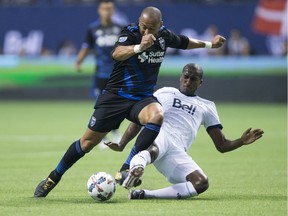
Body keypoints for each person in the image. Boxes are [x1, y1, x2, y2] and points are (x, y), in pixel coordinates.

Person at [34, 6, 225, 198]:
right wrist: (139, 47)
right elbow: (116, 53)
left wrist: (210, 45)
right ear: (139, 23)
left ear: (161, 25)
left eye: (151, 28)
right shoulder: (131, 33)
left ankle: (125, 168)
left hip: (141, 99)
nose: (146, 31)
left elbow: (185, 42)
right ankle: (53, 177)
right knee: (86, 144)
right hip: (116, 97)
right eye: (143, 27)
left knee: (157, 115)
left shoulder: (164, 36)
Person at [106, 63, 264, 199]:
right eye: (186, 77)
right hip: (160, 135)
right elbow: (139, 121)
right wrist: (122, 143)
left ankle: (144, 194)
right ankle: (136, 168)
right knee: (154, 145)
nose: (188, 81)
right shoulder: (164, 93)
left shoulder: (207, 106)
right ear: (181, 77)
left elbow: (221, 145)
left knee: (201, 183)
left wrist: (241, 141)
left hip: (177, 152)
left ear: (200, 82)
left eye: (193, 79)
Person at [75, 0, 124, 144]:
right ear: (99, 10)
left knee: (118, 104)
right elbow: (87, 46)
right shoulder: (93, 28)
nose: (107, 12)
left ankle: (115, 131)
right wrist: (79, 61)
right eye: (104, 9)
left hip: (117, 73)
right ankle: (101, 136)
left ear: (113, 11)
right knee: (101, 105)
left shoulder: (120, 28)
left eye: (109, 9)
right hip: (101, 73)